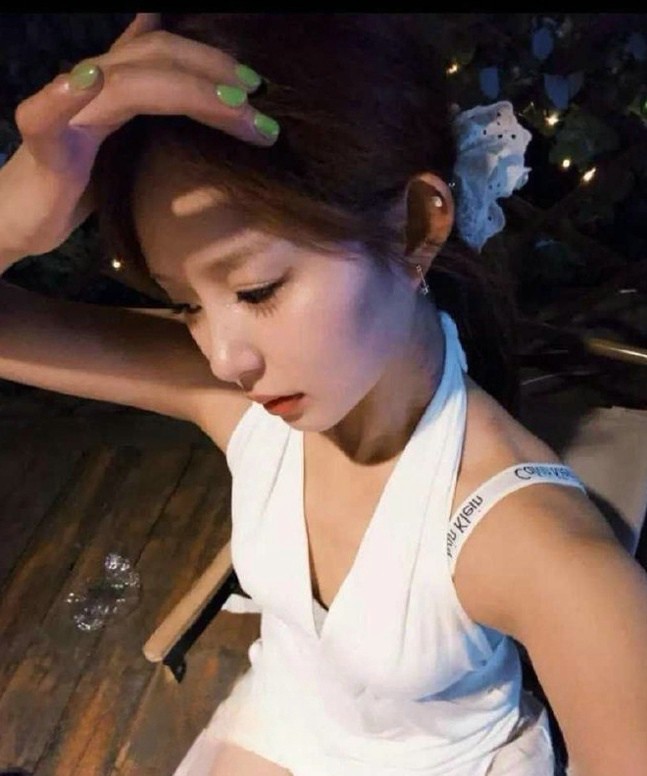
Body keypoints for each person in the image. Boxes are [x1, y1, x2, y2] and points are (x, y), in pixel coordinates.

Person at [1, 12, 646, 776]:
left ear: (414, 227)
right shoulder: (247, 396)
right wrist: (15, 212)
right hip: (279, 726)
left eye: (257, 289)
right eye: (187, 304)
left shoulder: (537, 548)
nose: (223, 357)